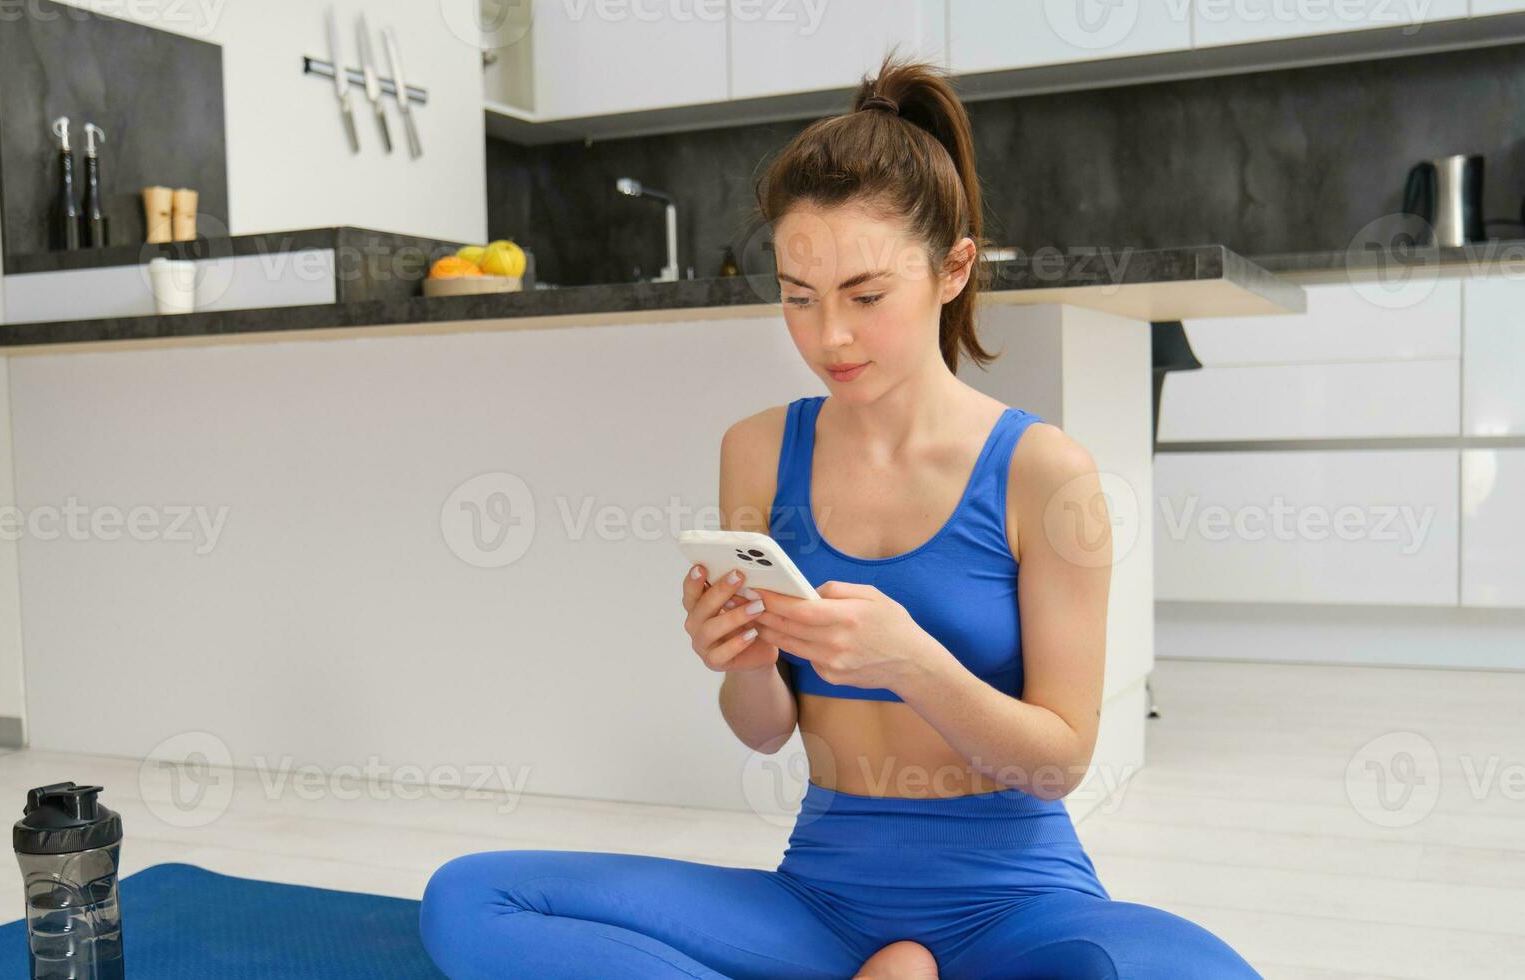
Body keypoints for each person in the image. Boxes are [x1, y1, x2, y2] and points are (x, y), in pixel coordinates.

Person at [419, 56, 1262, 979]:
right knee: (475, 896)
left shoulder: (1042, 472)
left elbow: (1059, 760)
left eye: (866, 297)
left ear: (953, 269)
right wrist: (742, 664)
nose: (831, 338)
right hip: (820, 902)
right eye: (797, 298)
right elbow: (766, 727)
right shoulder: (756, 451)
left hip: (1017, 907)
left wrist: (910, 661)